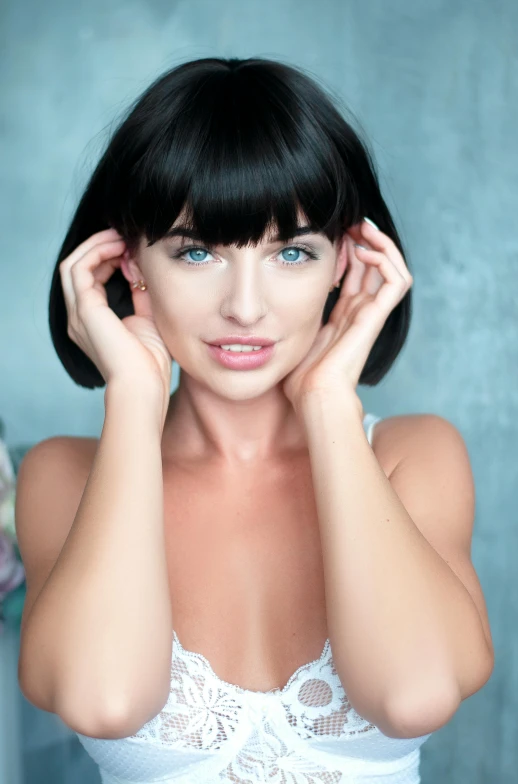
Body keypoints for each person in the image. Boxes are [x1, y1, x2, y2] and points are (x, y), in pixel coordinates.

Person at [14, 56, 493, 784]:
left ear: (347, 263)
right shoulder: (63, 476)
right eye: (197, 250)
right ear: (129, 261)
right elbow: (104, 699)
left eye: (292, 252)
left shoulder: (413, 457)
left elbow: (410, 694)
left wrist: (330, 403)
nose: (245, 306)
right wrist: (134, 397)